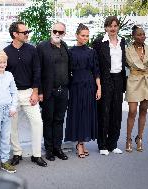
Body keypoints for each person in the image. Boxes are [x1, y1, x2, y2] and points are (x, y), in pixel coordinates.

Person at [4, 21, 47, 167]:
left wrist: (36, 92)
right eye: (24, 32)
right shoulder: (5, 52)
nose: (27, 34)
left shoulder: (32, 49)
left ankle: (36, 155)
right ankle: (17, 153)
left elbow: (37, 72)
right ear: (15, 34)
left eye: (28, 31)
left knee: (37, 123)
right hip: (12, 95)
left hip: (29, 93)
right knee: (12, 127)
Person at [65, 24, 101, 158]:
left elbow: (96, 71)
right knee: (78, 114)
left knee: (86, 114)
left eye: (87, 36)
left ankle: (82, 143)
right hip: (76, 86)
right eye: (83, 35)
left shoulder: (91, 52)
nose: (85, 38)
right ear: (76, 35)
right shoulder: (70, 51)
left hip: (90, 86)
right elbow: (67, 71)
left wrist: (99, 88)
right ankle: (80, 144)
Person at [92, 16, 127, 156]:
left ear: (118, 27)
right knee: (104, 112)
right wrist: (98, 84)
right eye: (110, 26)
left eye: (115, 25)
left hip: (118, 79)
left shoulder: (122, 41)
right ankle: (103, 144)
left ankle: (113, 144)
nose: (113, 28)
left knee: (117, 113)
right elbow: (95, 66)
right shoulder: (99, 43)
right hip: (106, 80)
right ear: (105, 27)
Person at [36, 22, 70, 161]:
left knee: (59, 120)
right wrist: (39, 92)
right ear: (51, 31)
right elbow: (37, 70)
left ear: (64, 34)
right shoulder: (42, 47)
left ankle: (58, 148)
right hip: (48, 91)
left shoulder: (65, 46)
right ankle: (49, 150)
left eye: (60, 32)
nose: (57, 33)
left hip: (63, 91)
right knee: (48, 120)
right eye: (55, 31)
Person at [125, 25, 148, 152]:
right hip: (134, 81)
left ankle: (139, 138)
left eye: (143, 34)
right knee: (132, 111)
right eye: (139, 34)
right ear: (133, 36)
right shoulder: (127, 50)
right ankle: (128, 138)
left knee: (144, 109)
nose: (142, 36)